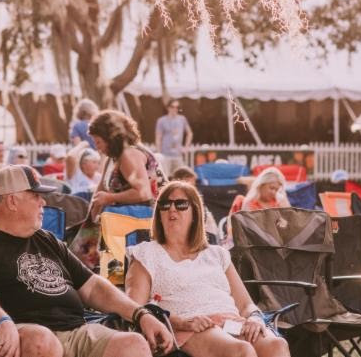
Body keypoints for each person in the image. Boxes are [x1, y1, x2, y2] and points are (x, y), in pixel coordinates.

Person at [0, 165, 174, 357]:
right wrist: (1, 321)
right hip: (11, 335)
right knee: (41, 342)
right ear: (12, 201)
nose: (43, 202)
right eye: (36, 196)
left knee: (133, 345)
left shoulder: (46, 240)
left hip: (74, 332)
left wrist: (140, 314)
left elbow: (92, 286)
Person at [125, 181, 288, 357]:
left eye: (180, 204)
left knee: (277, 345)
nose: (172, 209)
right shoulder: (146, 254)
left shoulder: (217, 254)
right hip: (189, 326)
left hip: (231, 323)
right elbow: (134, 308)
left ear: (195, 213)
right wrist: (179, 322)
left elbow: (245, 304)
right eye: (165, 204)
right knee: (242, 351)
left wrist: (255, 318)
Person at [89, 110, 162, 217]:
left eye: (98, 142)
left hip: (145, 221)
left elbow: (143, 193)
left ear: (110, 138)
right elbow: (99, 193)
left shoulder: (129, 155)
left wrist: (110, 198)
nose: (97, 148)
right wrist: (89, 222)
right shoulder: (111, 159)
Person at [155, 99, 194, 176]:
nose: (175, 109)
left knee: (180, 176)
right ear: (168, 107)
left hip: (178, 154)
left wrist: (186, 147)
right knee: (165, 176)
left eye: (177, 107)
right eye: (172, 106)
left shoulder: (182, 119)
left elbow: (190, 133)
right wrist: (159, 152)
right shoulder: (161, 120)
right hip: (165, 154)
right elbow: (158, 137)